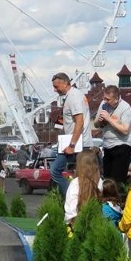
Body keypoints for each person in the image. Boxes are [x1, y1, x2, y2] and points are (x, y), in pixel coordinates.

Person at [50, 72, 92, 200]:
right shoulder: (73, 96)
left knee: (55, 171)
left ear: (65, 83)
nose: (55, 90)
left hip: (77, 144)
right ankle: (78, 198)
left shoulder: (73, 97)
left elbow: (80, 121)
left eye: (56, 87)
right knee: (81, 174)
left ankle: (71, 198)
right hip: (76, 142)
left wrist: (72, 145)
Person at [95, 85, 131, 184]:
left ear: (116, 99)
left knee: (118, 178)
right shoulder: (103, 104)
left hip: (122, 144)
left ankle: (119, 198)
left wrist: (109, 119)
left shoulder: (126, 108)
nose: (105, 101)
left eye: (108, 99)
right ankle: (109, 198)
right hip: (107, 144)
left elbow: (125, 130)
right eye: (104, 98)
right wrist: (100, 122)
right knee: (108, 178)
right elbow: (96, 124)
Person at [63, 150, 102, 227]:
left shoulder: (75, 183)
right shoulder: (101, 182)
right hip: (97, 225)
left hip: (76, 225)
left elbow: (71, 209)